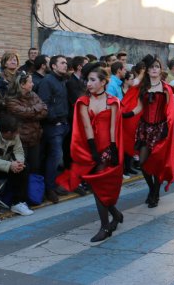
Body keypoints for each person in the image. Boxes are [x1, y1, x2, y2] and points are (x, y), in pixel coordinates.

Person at [57, 63, 124, 241]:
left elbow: (113, 129)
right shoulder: (82, 102)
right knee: (96, 187)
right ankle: (113, 216)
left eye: (93, 80)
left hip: (109, 149)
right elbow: (86, 127)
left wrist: (113, 150)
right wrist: (93, 151)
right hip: (90, 149)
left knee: (100, 187)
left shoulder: (112, 101)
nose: (88, 83)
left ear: (103, 82)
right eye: (87, 80)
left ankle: (106, 226)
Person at [122, 55, 174, 208]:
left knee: (157, 163)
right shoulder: (143, 87)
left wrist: (166, 127)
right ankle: (153, 189)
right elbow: (139, 107)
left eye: (156, 67)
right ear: (147, 70)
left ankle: (155, 193)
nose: (154, 69)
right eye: (151, 67)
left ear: (160, 70)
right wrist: (126, 115)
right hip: (144, 129)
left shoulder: (165, 88)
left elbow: (169, 111)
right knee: (144, 162)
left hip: (160, 129)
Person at [37, 55, 70, 203]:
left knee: (57, 158)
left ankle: (53, 184)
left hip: (63, 124)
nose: (65, 65)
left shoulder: (62, 81)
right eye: (62, 63)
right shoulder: (47, 81)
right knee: (55, 156)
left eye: (66, 63)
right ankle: (49, 188)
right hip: (53, 126)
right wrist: (55, 120)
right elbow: (45, 104)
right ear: (53, 66)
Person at [5, 71, 48, 175]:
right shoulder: (11, 100)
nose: (33, 84)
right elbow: (25, 113)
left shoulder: (33, 94)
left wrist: (32, 112)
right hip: (21, 140)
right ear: (22, 85)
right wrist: (37, 109)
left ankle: (33, 190)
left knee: (35, 167)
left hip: (35, 138)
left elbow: (45, 110)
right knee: (23, 168)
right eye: (30, 82)